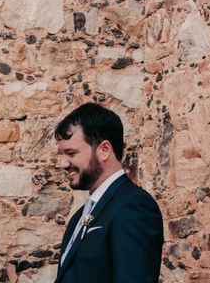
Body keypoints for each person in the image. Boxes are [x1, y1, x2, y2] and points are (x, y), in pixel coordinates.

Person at [54, 103, 163, 283]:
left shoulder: (134, 207)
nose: (63, 164)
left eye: (71, 153)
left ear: (104, 150)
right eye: (61, 154)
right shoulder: (79, 216)